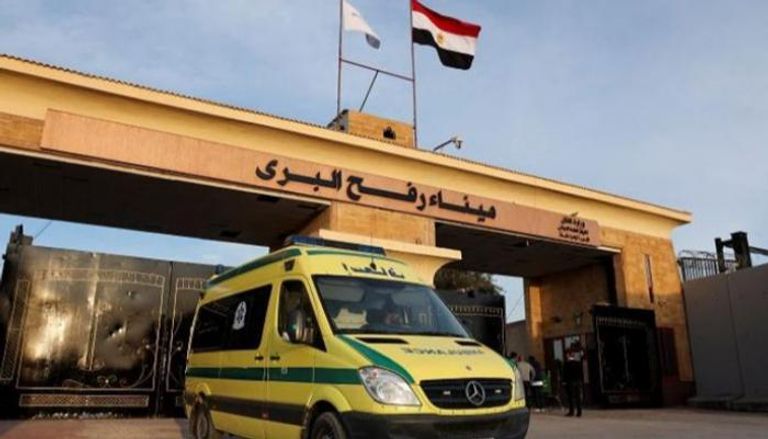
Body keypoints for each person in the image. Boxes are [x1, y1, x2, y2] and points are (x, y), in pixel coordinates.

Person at [563, 341, 584, 417]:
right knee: (578, 397)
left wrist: (564, 381)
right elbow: (581, 372)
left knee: (571, 397)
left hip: (570, 382)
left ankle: (571, 411)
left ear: (568, 355)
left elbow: (565, 374)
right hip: (578, 381)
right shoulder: (577, 363)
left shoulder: (567, 364)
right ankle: (579, 412)